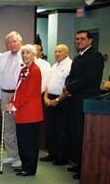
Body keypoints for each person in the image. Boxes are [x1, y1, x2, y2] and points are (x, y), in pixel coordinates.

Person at [62, 30, 104, 180]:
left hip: (86, 102)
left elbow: (88, 78)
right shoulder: (78, 57)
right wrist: (67, 87)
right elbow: (70, 77)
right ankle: (78, 163)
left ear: (90, 40)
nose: (79, 41)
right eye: (77, 39)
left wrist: (70, 88)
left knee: (83, 136)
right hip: (74, 100)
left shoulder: (95, 56)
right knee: (76, 134)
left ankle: (84, 169)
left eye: (82, 39)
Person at [4, 44, 43, 177]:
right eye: (23, 53)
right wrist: (11, 102)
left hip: (30, 113)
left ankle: (30, 169)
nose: (25, 55)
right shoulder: (24, 70)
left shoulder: (35, 71)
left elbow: (29, 93)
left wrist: (14, 106)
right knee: (22, 141)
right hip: (22, 112)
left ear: (33, 55)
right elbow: (18, 90)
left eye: (27, 53)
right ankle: (25, 165)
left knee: (29, 142)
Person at [0, 31, 25, 168]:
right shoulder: (4, 56)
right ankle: (11, 155)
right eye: (9, 42)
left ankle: (20, 156)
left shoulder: (25, 54)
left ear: (20, 42)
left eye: (14, 42)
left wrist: (18, 98)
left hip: (19, 96)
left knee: (19, 127)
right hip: (5, 95)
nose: (12, 45)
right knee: (7, 127)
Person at [40, 44, 72, 166]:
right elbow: (48, 83)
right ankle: (52, 153)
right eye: (55, 51)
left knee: (61, 129)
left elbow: (68, 87)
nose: (57, 53)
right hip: (49, 98)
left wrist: (57, 100)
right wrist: (45, 97)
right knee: (50, 128)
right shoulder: (54, 65)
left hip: (62, 100)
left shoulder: (70, 65)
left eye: (60, 51)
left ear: (66, 53)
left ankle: (62, 157)